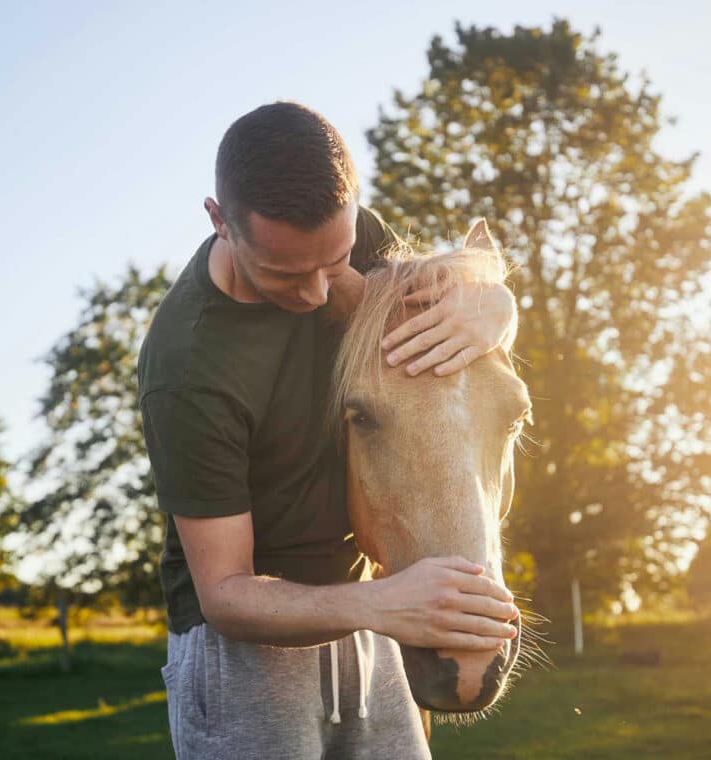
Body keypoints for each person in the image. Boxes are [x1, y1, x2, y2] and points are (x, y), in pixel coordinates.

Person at [138, 101, 519, 759]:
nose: (318, 293)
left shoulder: (349, 233)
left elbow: (441, 323)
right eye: (286, 274)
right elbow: (224, 593)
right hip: (249, 654)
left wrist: (495, 305)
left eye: (336, 260)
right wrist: (382, 605)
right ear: (220, 221)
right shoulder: (188, 369)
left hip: (377, 612)